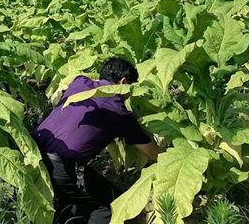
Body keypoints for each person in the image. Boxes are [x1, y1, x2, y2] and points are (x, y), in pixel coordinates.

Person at [33, 58, 163, 224]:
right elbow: (152, 153)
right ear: (123, 82)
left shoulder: (79, 82)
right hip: (62, 167)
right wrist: (174, 155)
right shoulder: (118, 111)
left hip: (33, 153)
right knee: (110, 205)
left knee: (71, 201)